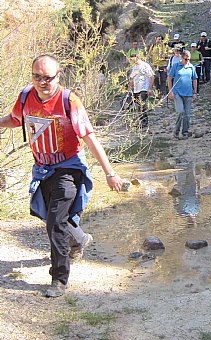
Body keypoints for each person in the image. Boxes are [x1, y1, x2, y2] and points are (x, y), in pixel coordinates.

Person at [0, 55, 123, 297]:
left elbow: (89, 137)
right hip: (42, 169)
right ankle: (78, 240)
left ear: (58, 76)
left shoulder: (69, 101)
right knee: (48, 215)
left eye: (48, 77)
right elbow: (15, 119)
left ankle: (59, 278)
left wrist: (110, 173)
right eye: (37, 76)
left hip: (69, 168)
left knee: (55, 222)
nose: (42, 82)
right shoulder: (26, 96)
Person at [167, 49, 198, 138]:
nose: (187, 61)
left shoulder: (191, 67)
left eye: (188, 59)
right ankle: (176, 131)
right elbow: (169, 78)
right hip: (177, 93)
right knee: (180, 111)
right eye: (185, 59)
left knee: (187, 115)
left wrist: (195, 92)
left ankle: (185, 132)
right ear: (182, 58)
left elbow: (194, 79)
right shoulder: (176, 66)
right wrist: (171, 91)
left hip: (188, 93)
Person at [127, 53, 154, 129]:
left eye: (133, 59)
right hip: (136, 89)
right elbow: (132, 78)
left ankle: (144, 122)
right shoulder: (135, 67)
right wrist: (129, 88)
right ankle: (141, 121)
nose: (132, 61)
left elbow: (152, 76)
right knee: (138, 106)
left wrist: (149, 88)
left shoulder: (145, 65)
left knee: (141, 104)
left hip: (144, 88)